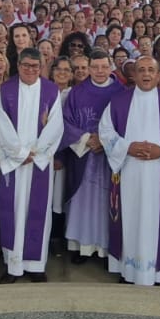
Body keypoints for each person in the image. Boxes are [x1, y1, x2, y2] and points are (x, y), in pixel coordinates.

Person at [105, 55, 160, 286]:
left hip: (158, 173)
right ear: (133, 74)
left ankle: (157, 272)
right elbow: (105, 132)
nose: (145, 74)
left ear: (158, 75)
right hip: (128, 173)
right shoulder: (118, 101)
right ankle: (129, 269)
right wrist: (127, 147)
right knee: (130, 217)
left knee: (155, 219)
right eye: (141, 70)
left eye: (150, 70)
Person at [0, 48, 64, 282]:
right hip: (15, 163)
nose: (31, 70)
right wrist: (20, 153)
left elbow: (56, 126)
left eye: (36, 66)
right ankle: (12, 265)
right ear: (18, 66)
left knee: (38, 212)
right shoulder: (6, 90)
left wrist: (38, 154)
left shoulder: (51, 91)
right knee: (12, 212)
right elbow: (0, 125)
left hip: (38, 164)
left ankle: (35, 265)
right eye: (26, 65)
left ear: (42, 67)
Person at [61, 50, 122, 263]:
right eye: (95, 67)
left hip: (109, 157)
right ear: (88, 68)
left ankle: (106, 249)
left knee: (108, 201)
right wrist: (87, 138)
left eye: (104, 66)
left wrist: (105, 142)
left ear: (111, 67)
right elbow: (66, 121)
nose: (99, 71)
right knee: (84, 201)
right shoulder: (77, 92)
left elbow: (126, 123)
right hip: (84, 155)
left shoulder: (121, 92)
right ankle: (82, 247)